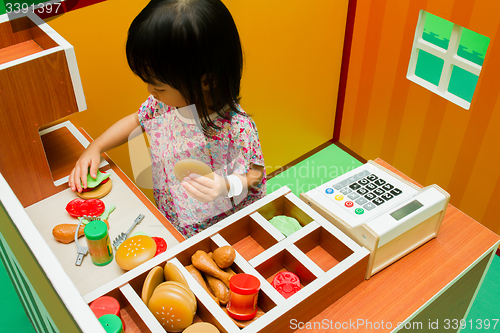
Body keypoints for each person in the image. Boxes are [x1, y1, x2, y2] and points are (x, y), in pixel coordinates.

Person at [68, 0, 266, 238]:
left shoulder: (236, 127)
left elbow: (255, 174)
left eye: (159, 86)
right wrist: (96, 146)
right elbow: (135, 120)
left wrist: (224, 186)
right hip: (173, 214)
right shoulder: (164, 105)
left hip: (217, 230)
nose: (151, 91)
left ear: (206, 81)